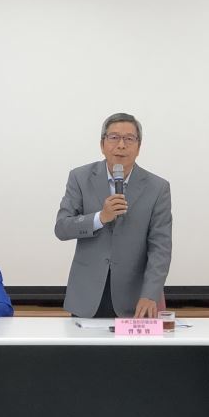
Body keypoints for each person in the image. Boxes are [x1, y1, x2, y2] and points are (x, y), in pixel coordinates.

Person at [55, 113, 172, 318]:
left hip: (134, 298)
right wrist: (100, 218)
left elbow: (160, 248)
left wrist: (150, 294)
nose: (121, 145)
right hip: (87, 295)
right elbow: (62, 228)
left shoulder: (157, 188)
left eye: (129, 139)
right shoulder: (80, 177)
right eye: (114, 137)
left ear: (139, 147)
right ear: (102, 144)